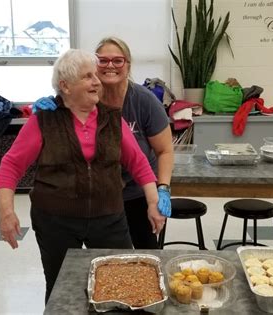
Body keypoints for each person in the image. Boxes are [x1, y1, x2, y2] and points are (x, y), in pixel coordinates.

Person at [0, 49, 166, 304]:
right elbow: (11, 165)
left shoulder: (112, 118)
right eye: (88, 76)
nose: (97, 81)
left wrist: (153, 200)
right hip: (55, 220)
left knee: (122, 281)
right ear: (65, 85)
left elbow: (138, 162)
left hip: (108, 216)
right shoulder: (45, 119)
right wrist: (6, 212)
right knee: (60, 288)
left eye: (95, 75)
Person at [34, 37, 174, 249]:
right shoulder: (82, 96)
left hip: (137, 192)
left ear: (128, 65)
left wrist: (162, 189)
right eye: (103, 60)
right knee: (103, 260)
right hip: (98, 197)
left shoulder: (144, 101)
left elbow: (164, 150)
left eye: (118, 60)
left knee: (146, 251)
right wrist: (52, 105)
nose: (110, 66)